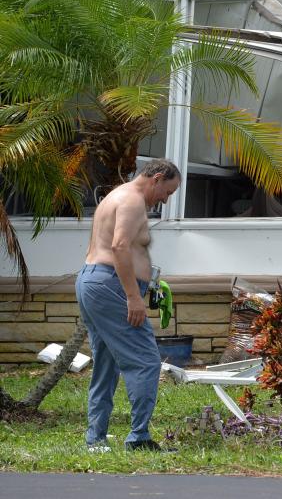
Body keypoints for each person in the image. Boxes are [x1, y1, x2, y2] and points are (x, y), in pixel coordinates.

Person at [75, 158, 181, 452]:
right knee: (146, 361)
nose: (165, 199)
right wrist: (133, 296)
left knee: (106, 365)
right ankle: (139, 438)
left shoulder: (116, 195)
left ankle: (95, 439)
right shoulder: (133, 201)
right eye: (168, 192)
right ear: (157, 178)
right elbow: (119, 246)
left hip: (93, 281)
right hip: (110, 287)